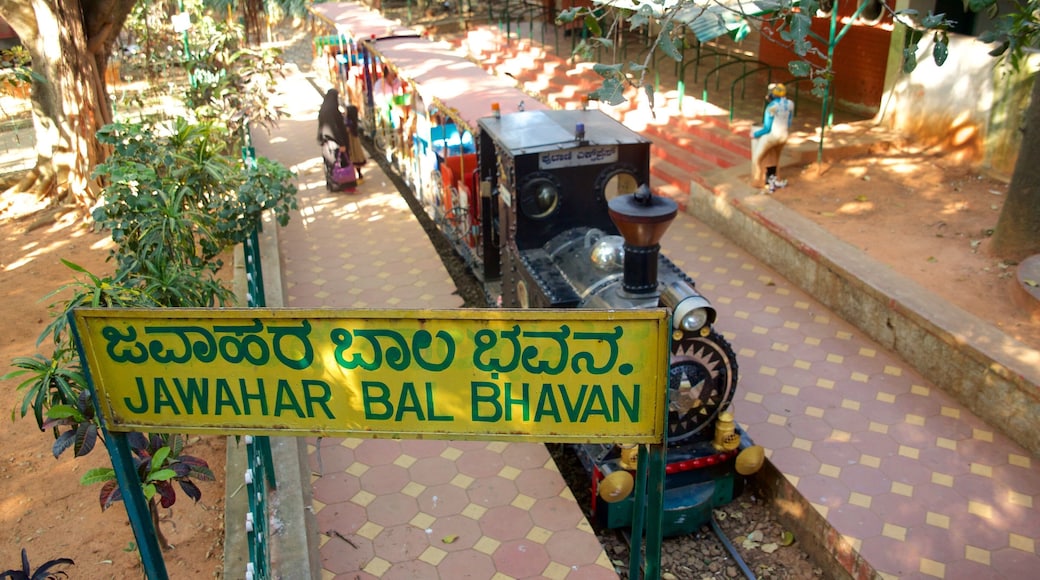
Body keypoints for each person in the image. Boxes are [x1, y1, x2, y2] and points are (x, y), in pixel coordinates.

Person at [750, 83, 794, 193]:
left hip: (773, 136)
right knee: (775, 159)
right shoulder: (790, 104)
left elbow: (767, 128)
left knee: (757, 159)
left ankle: (758, 181)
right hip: (784, 135)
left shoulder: (771, 107)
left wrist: (755, 134)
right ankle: (773, 179)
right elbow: (788, 123)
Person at [316, 88, 355, 192]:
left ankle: (333, 186)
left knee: (331, 165)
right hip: (334, 142)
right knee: (339, 163)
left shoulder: (324, 109)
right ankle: (343, 185)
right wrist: (341, 143)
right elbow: (334, 128)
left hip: (327, 143)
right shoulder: (331, 110)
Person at [344, 104, 367, 182]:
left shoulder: (348, 123)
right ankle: (359, 174)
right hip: (356, 143)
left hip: (350, 143)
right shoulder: (354, 122)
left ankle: (352, 176)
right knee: (357, 158)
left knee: (352, 158)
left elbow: (346, 130)